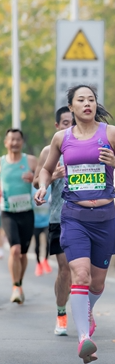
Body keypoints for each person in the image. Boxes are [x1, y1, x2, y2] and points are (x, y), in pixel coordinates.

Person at [34, 85, 115, 364]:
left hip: (104, 217)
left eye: (91, 99)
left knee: (97, 283)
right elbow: (45, 168)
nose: (87, 104)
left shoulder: (110, 133)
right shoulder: (60, 138)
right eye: (81, 100)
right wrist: (43, 185)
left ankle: (87, 308)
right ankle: (83, 339)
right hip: (74, 215)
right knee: (80, 275)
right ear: (71, 107)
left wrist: (114, 161)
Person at [33, 106, 73, 335]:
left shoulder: (85, 148)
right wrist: (51, 178)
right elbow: (37, 180)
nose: (70, 127)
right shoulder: (49, 150)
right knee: (65, 268)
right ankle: (61, 313)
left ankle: (84, 311)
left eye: (73, 123)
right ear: (57, 126)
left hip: (85, 216)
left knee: (83, 270)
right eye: (65, 123)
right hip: (59, 216)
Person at [1, 128, 38, 304]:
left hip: (27, 212)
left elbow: (43, 180)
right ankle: (15, 286)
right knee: (14, 249)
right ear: (6, 143)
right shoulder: (1, 163)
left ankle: (20, 283)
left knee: (23, 253)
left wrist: (34, 179)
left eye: (17, 139)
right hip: (8, 212)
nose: (14, 143)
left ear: (21, 142)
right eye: (11, 140)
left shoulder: (30, 161)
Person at [32, 184, 52, 276]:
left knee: (48, 242)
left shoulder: (50, 187)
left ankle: (45, 260)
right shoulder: (31, 188)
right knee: (37, 245)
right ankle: (38, 263)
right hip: (35, 222)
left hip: (46, 221)